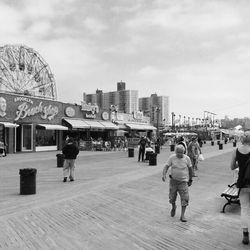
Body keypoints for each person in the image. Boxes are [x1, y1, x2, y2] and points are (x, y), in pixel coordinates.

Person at [162, 145, 193, 222]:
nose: (179, 154)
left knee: (185, 198)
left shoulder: (187, 158)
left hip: (183, 182)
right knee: (172, 198)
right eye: (178, 152)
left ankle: (182, 215)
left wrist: (190, 179)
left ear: (184, 152)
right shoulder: (172, 157)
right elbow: (166, 166)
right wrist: (164, 174)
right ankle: (173, 206)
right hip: (173, 181)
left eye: (181, 152)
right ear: (175, 152)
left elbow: (190, 169)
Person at [230, 131, 250, 245]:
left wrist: (240, 164)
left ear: (242, 139)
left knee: (245, 209)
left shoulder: (236, 151)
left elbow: (232, 166)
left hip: (243, 184)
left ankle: (246, 235)